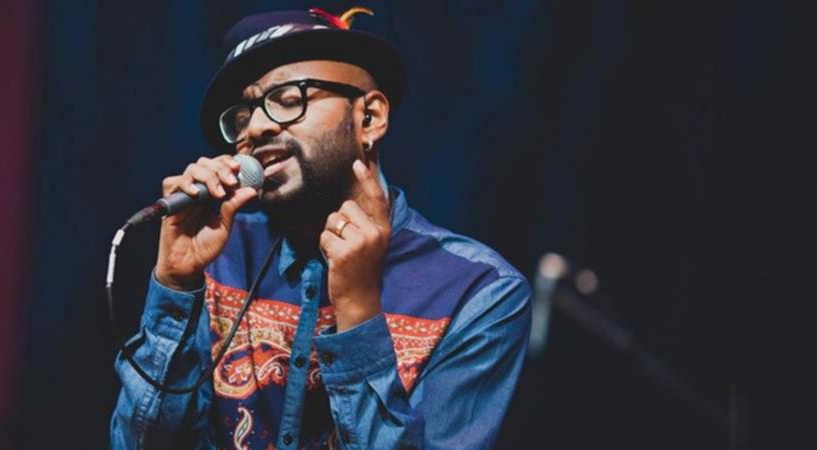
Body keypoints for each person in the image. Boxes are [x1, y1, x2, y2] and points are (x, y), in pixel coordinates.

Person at [111, 7, 532, 449]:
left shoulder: (479, 291)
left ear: (369, 118)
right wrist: (175, 287)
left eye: (288, 98)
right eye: (242, 116)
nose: (256, 127)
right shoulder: (221, 254)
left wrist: (357, 312)